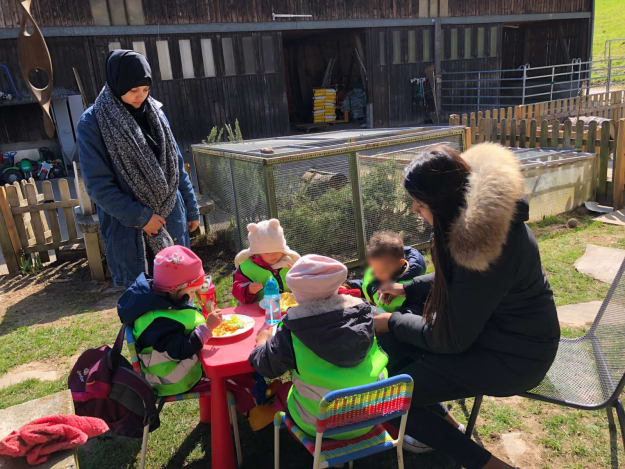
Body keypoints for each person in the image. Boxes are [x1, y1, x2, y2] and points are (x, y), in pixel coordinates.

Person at [374, 143, 560, 469]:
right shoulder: (483, 229)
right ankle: (447, 426)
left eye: (419, 204)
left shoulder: (482, 252)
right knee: (394, 346)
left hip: (515, 358)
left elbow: (449, 338)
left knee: (392, 396)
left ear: (441, 203)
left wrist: (392, 321)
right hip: (500, 337)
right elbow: (463, 284)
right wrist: (408, 287)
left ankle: (485, 464)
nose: (416, 211)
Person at [77, 50, 200, 287]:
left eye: (145, 89)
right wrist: (142, 218)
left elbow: (175, 165)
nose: (140, 97)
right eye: (133, 90)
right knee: (142, 307)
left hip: (170, 219)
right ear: (116, 84)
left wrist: (191, 208)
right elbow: (98, 186)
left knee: (182, 294)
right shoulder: (93, 123)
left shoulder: (156, 113)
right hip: (131, 232)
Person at [249, 254, 388, 439]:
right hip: (371, 415)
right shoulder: (364, 315)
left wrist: (262, 342)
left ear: (296, 294)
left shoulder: (293, 331)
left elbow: (265, 367)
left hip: (321, 424)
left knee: (284, 389)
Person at [117, 245, 221, 396]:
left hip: (177, 368)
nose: (193, 296)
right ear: (174, 289)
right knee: (224, 378)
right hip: (174, 380)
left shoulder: (159, 301)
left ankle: (208, 417)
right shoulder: (160, 322)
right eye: (191, 292)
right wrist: (207, 328)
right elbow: (180, 350)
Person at [349, 230, 426, 312]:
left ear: (400, 264)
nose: (377, 275)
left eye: (383, 270)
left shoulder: (412, 287)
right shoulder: (377, 271)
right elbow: (368, 285)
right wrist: (350, 286)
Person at [232, 219, 300, 304]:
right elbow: (236, 290)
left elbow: (305, 284)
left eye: (276, 251)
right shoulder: (247, 268)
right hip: (259, 311)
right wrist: (248, 290)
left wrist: (299, 278)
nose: (272, 255)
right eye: (267, 253)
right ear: (257, 253)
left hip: (290, 307)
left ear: (283, 250)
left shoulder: (290, 262)